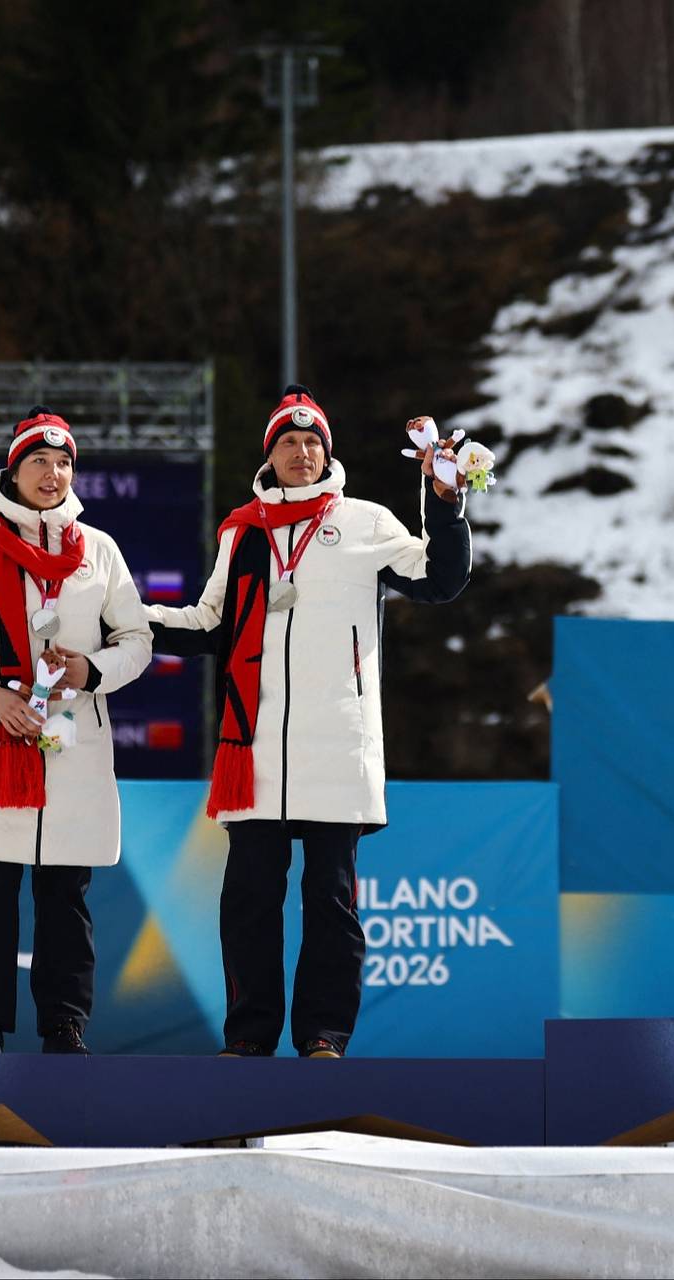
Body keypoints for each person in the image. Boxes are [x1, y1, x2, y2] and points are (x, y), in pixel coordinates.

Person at [147, 385, 471, 1058]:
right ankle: (249, 1040)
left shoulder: (367, 521)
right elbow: (211, 624)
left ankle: (324, 1037)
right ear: (270, 455)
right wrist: (128, 619)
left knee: (331, 904)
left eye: (313, 441)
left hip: (338, 749)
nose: (302, 451)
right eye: (289, 442)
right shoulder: (242, 530)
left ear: (329, 453)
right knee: (249, 907)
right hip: (255, 750)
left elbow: (441, 580)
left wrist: (445, 505)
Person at [0, 408, 151, 1054]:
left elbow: (138, 640)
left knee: (66, 896)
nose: (53, 473)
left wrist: (89, 670)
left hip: (72, 747)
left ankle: (65, 1027)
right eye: (39, 461)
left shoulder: (98, 551)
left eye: (64, 462)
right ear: (11, 472)